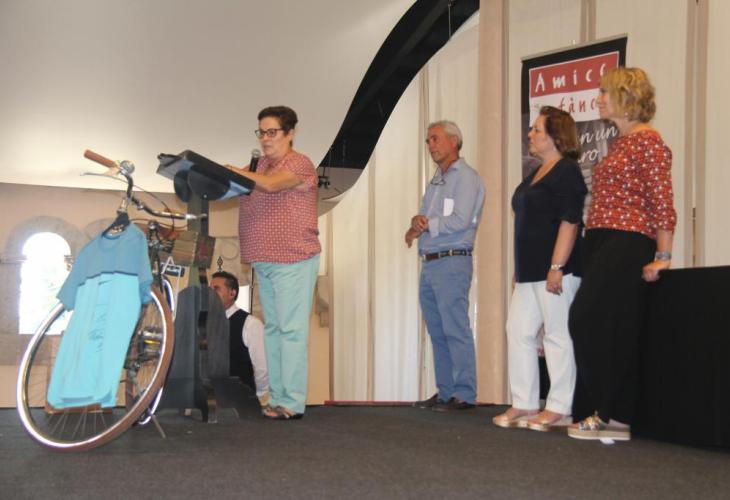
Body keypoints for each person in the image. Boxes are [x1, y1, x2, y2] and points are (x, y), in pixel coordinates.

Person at [567, 67, 677, 441]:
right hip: (600, 240)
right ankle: (611, 415)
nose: (598, 98)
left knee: (588, 319)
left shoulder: (648, 142)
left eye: (604, 92)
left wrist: (663, 254)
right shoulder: (621, 142)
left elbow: (661, 200)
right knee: (603, 325)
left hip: (628, 241)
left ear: (625, 97)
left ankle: (609, 411)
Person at [492, 106, 587, 431]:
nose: (529, 134)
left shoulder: (567, 170)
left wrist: (556, 266)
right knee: (518, 331)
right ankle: (525, 402)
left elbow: (570, 221)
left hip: (558, 270)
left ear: (555, 137)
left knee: (558, 335)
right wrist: (519, 269)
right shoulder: (535, 172)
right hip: (530, 272)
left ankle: (561, 407)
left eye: (536, 130)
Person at [228, 105, 320, 420]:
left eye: (272, 132)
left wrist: (235, 171)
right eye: (261, 132)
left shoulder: (298, 163)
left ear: (290, 133)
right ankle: (278, 398)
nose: (265, 138)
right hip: (265, 259)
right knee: (274, 331)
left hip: (293, 257)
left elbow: (270, 185)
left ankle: (292, 402)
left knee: (290, 331)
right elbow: (232, 187)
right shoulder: (260, 165)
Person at [406, 120, 485, 411]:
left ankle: (464, 394)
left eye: (435, 139)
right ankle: (445, 392)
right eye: (428, 141)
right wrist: (415, 224)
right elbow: (425, 216)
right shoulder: (436, 180)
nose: (431, 145)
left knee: (455, 329)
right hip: (430, 262)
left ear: (454, 141)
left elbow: (461, 220)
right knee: (438, 332)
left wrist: (428, 225)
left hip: (452, 259)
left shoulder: (467, 177)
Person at [210, 271, 269, 405]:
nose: (211, 294)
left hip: (240, 402)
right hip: (211, 401)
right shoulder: (205, 323)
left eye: (217, 289)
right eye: (210, 289)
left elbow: (262, 367)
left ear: (232, 293)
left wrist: (256, 397)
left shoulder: (251, 324)